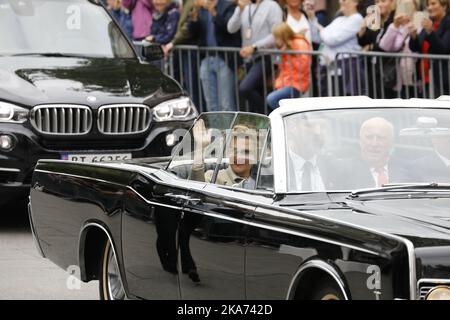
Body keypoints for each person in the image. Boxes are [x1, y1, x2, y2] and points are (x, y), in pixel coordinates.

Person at [227, 0, 283, 113]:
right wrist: (239, 10)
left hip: (266, 57)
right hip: (248, 59)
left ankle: (269, 115)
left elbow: (276, 34)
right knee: (257, 92)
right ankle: (265, 122)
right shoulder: (246, 6)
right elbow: (231, 28)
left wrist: (255, 46)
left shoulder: (272, 6)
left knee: (245, 88)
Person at [188, 0, 241, 112]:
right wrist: (195, 12)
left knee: (226, 104)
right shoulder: (201, 8)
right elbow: (192, 32)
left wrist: (213, 12)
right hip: (206, 58)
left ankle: (228, 130)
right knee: (211, 104)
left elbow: (229, 29)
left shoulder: (228, 6)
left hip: (224, 58)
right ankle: (215, 130)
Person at [307, 0, 364, 96]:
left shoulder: (357, 18)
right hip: (330, 69)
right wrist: (312, 18)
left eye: (345, 0)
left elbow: (331, 40)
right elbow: (317, 38)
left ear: (355, 2)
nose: (341, 2)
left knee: (345, 103)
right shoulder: (338, 20)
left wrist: (321, 29)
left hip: (347, 68)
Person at [342, 117, 410, 189]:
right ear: (360, 141)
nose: (374, 144)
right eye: (369, 137)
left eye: (381, 138)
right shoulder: (344, 171)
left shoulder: (409, 170)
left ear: (391, 142)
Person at [191, 120, 257, 188]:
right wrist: (200, 148)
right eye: (234, 150)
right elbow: (197, 189)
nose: (238, 157)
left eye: (245, 152)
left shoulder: (262, 179)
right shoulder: (214, 177)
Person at [379, 0, 421, 98]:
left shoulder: (419, 24)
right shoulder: (397, 26)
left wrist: (412, 31)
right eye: (402, 5)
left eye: (408, 5)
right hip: (398, 74)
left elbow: (416, 47)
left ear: (414, 8)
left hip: (414, 73)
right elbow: (384, 46)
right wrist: (394, 26)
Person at [286, 117, 340, 191]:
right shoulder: (274, 170)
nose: (317, 132)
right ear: (292, 128)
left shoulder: (335, 167)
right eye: (309, 125)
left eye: (322, 126)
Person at [409, 0, 450, 97]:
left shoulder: (448, 22)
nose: (429, 8)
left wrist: (431, 32)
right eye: (428, 5)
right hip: (425, 76)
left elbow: (443, 50)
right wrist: (413, 36)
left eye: (433, 4)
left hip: (442, 78)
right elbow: (416, 48)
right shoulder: (429, 22)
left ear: (444, 6)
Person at [266, 23, 312, 110]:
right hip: (286, 82)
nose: (276, 41)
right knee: (271, 100)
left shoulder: (300, 43)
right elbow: (280, 65)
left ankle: (287, 119)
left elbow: (303, 67)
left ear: (283, 36)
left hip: (297, 84)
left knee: (271, 99)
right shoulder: (286, 46)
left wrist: (288, 53)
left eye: (277, 38)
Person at [357, 0, 397, 98]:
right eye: (377, 2)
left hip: (388, 69)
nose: (379, 4)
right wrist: (362, 28)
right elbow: (364, 42)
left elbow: (385, 45)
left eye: (383, 1)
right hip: (374, 68)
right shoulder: (377, 20)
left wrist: (370, 47)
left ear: (392, 2)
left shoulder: (394, 20)